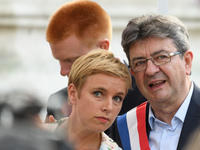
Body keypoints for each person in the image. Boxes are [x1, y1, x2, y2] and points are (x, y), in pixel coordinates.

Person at [107, 14, 200, 150]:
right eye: (139, 63)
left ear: (187, 61)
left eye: (161, 57)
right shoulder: (122, 128)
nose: (150, 70)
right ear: (132, 72)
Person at [45, 0, 146, 122]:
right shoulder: (57, 102)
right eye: (59, 60)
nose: (62, 71)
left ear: (103, 47)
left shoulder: (146, 94)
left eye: (72, 60)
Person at [47, 49, 132, 150]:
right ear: (72, 93)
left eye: (117, 98)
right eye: (98, 94)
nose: (109, 107)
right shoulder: (35, 137)